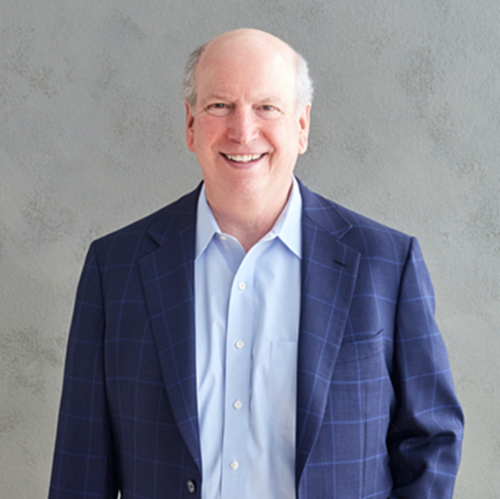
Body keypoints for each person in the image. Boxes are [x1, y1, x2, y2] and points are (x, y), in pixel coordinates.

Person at [48, 28, 463, 499]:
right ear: (189, 125)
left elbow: (432, 440)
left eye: (267, 107)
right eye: (219, 105)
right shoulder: (115, 269)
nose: (243, 131)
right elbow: (80, 470)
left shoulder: (387, 263)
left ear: (302, 126)